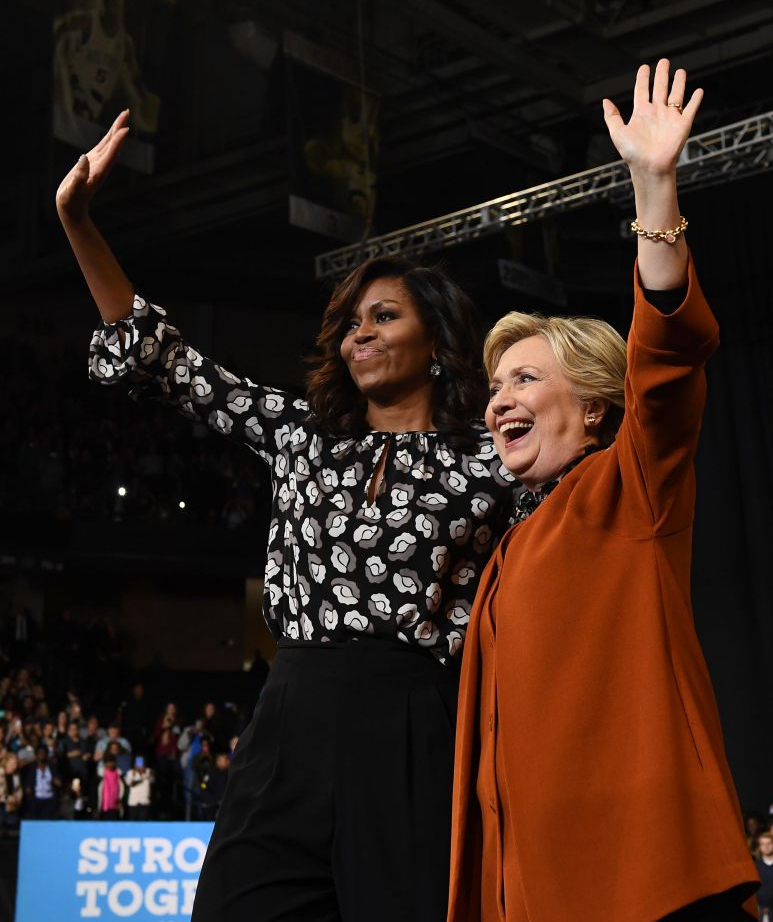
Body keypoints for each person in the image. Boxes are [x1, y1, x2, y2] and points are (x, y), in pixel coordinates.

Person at [55, 113, 517, 922]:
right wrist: (78, 222)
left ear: (437, 344)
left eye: (384, 317)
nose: (357, 334)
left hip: (417, 722)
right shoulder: (301, 434)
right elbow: (161, 358)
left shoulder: (492, 460)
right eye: (349, 321)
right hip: (292, 710)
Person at [447, 60, 759, 922]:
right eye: (493, 386)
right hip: (540, 893)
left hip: (646, 885)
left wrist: (653, 191)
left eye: (523, 378)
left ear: (592, 409)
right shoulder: (509, 548)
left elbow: (666, 356)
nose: (499, 399)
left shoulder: (631, 487)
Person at [756, 833, 773, 921]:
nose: (766, 846)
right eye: (763, 844)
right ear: (759, 846)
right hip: (759, 908)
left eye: (769, 843)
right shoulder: (755, 866)